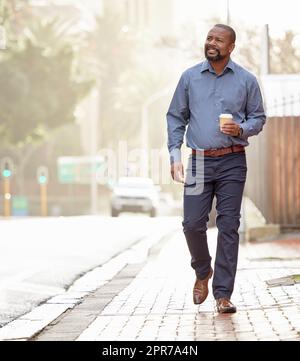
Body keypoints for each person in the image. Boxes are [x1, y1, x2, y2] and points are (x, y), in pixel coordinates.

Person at [166, 24, 266, 313]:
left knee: (228, 225)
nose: (211, 43)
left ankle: (223, 294)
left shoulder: (246, 80)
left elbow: (259, 117)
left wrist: (242, 128)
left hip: (233, 161)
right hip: (197, 161)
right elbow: (175, 117)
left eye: (218, 40)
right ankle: (202, 271)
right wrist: (175, 154)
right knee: (192, 224)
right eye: (209, 38)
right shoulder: (189, 78)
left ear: (231, 47)